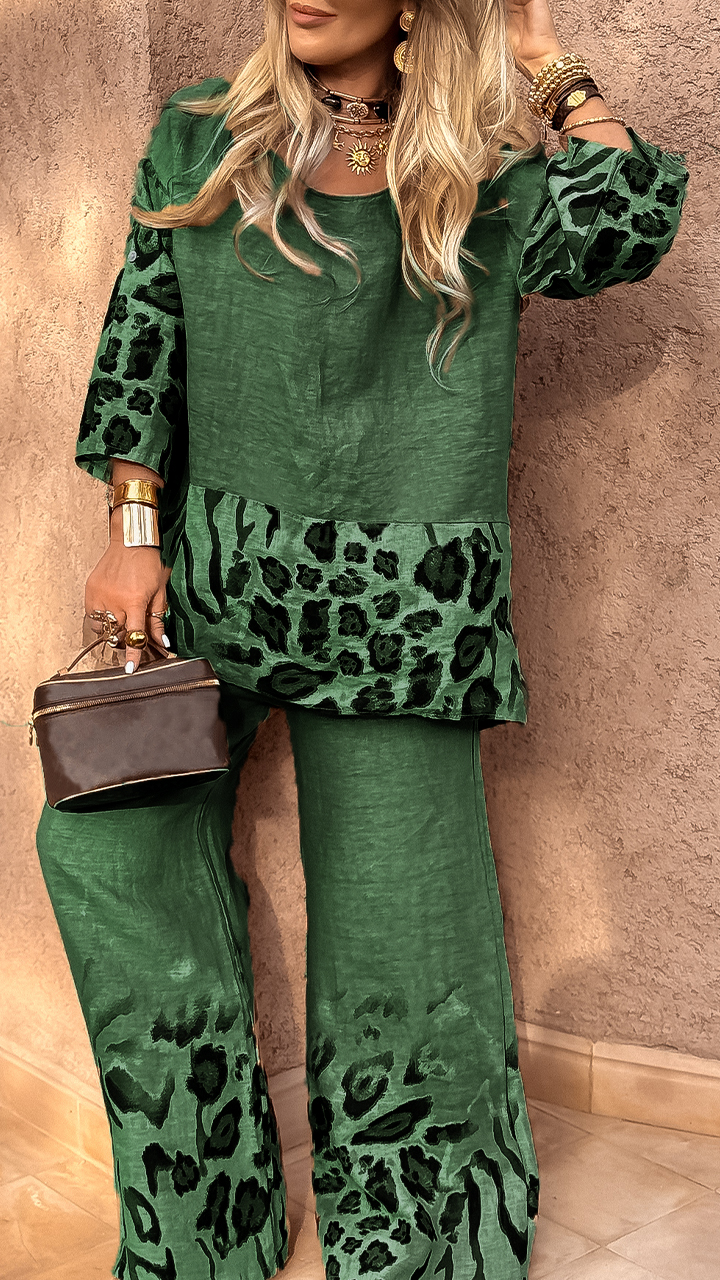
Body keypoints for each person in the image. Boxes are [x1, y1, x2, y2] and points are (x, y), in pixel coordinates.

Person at [35, 1, 688, 1277]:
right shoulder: (204, 134)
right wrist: (132, 528)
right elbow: (143, 337)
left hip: (407, 622)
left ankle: (418, 1240)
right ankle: (202, 1224)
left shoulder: (482, 172)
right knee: (102, 850)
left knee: (405, 944)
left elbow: (626, 223)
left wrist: (547, 62)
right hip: (215, 587)